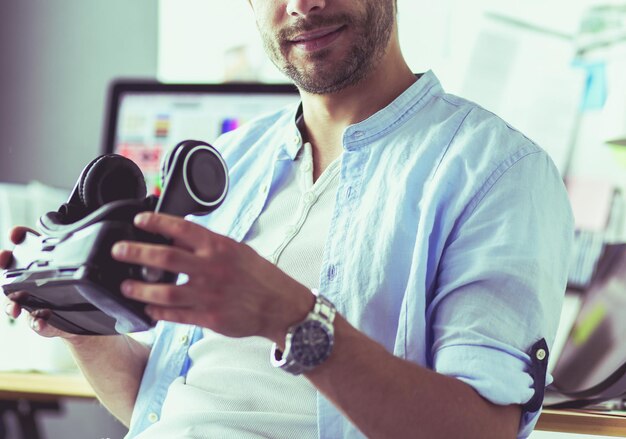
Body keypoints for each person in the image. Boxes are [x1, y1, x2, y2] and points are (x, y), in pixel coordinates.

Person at [1, 0, 574, 438]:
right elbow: (160, 406)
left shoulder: (498, 172)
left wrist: (293, 318)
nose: (302, 4)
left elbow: (483, 430)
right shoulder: (228, 162)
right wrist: (77, 318)